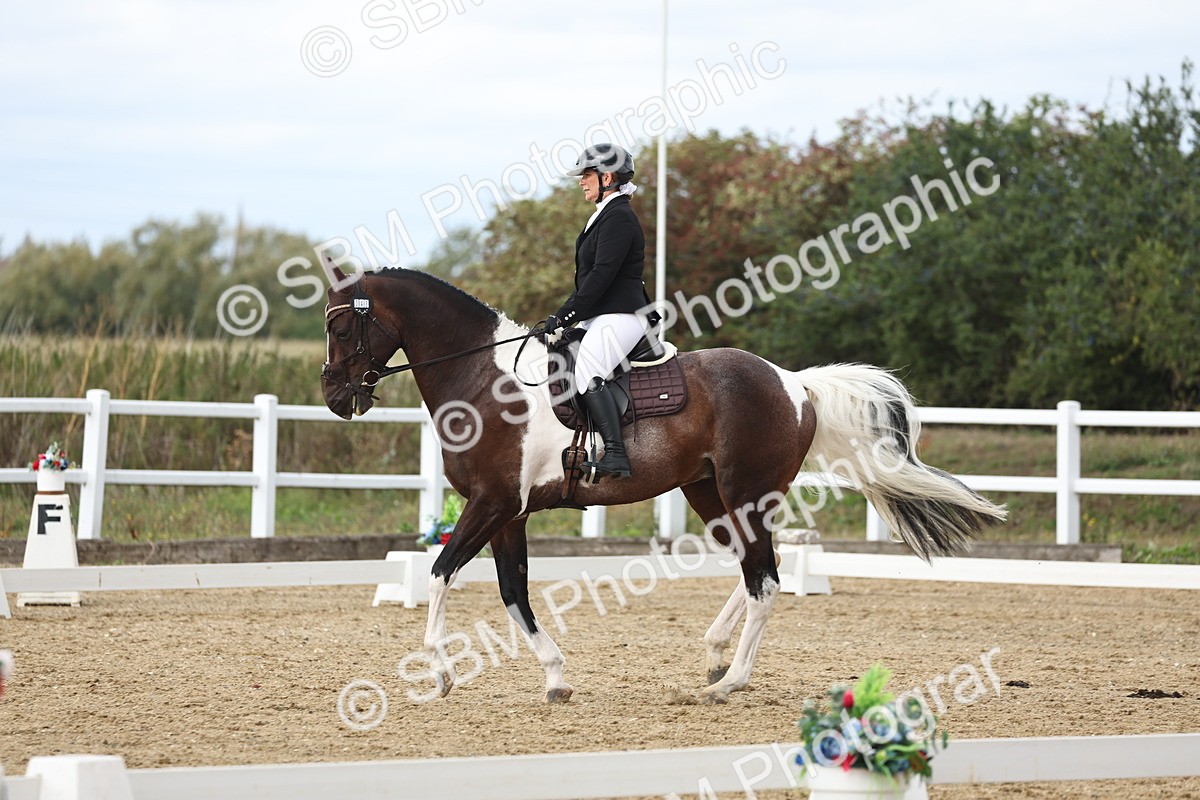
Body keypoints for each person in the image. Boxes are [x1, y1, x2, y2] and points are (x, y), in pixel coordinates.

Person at [542, 143, 654, 479]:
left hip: (623, 314)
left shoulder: (618, 216)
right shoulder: (605, 214)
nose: (581, 182)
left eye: (587, 175)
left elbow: (601, 276)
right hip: (604, 314)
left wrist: (565, 315)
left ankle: (617, 455)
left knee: (588, 373)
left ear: (607, 176)